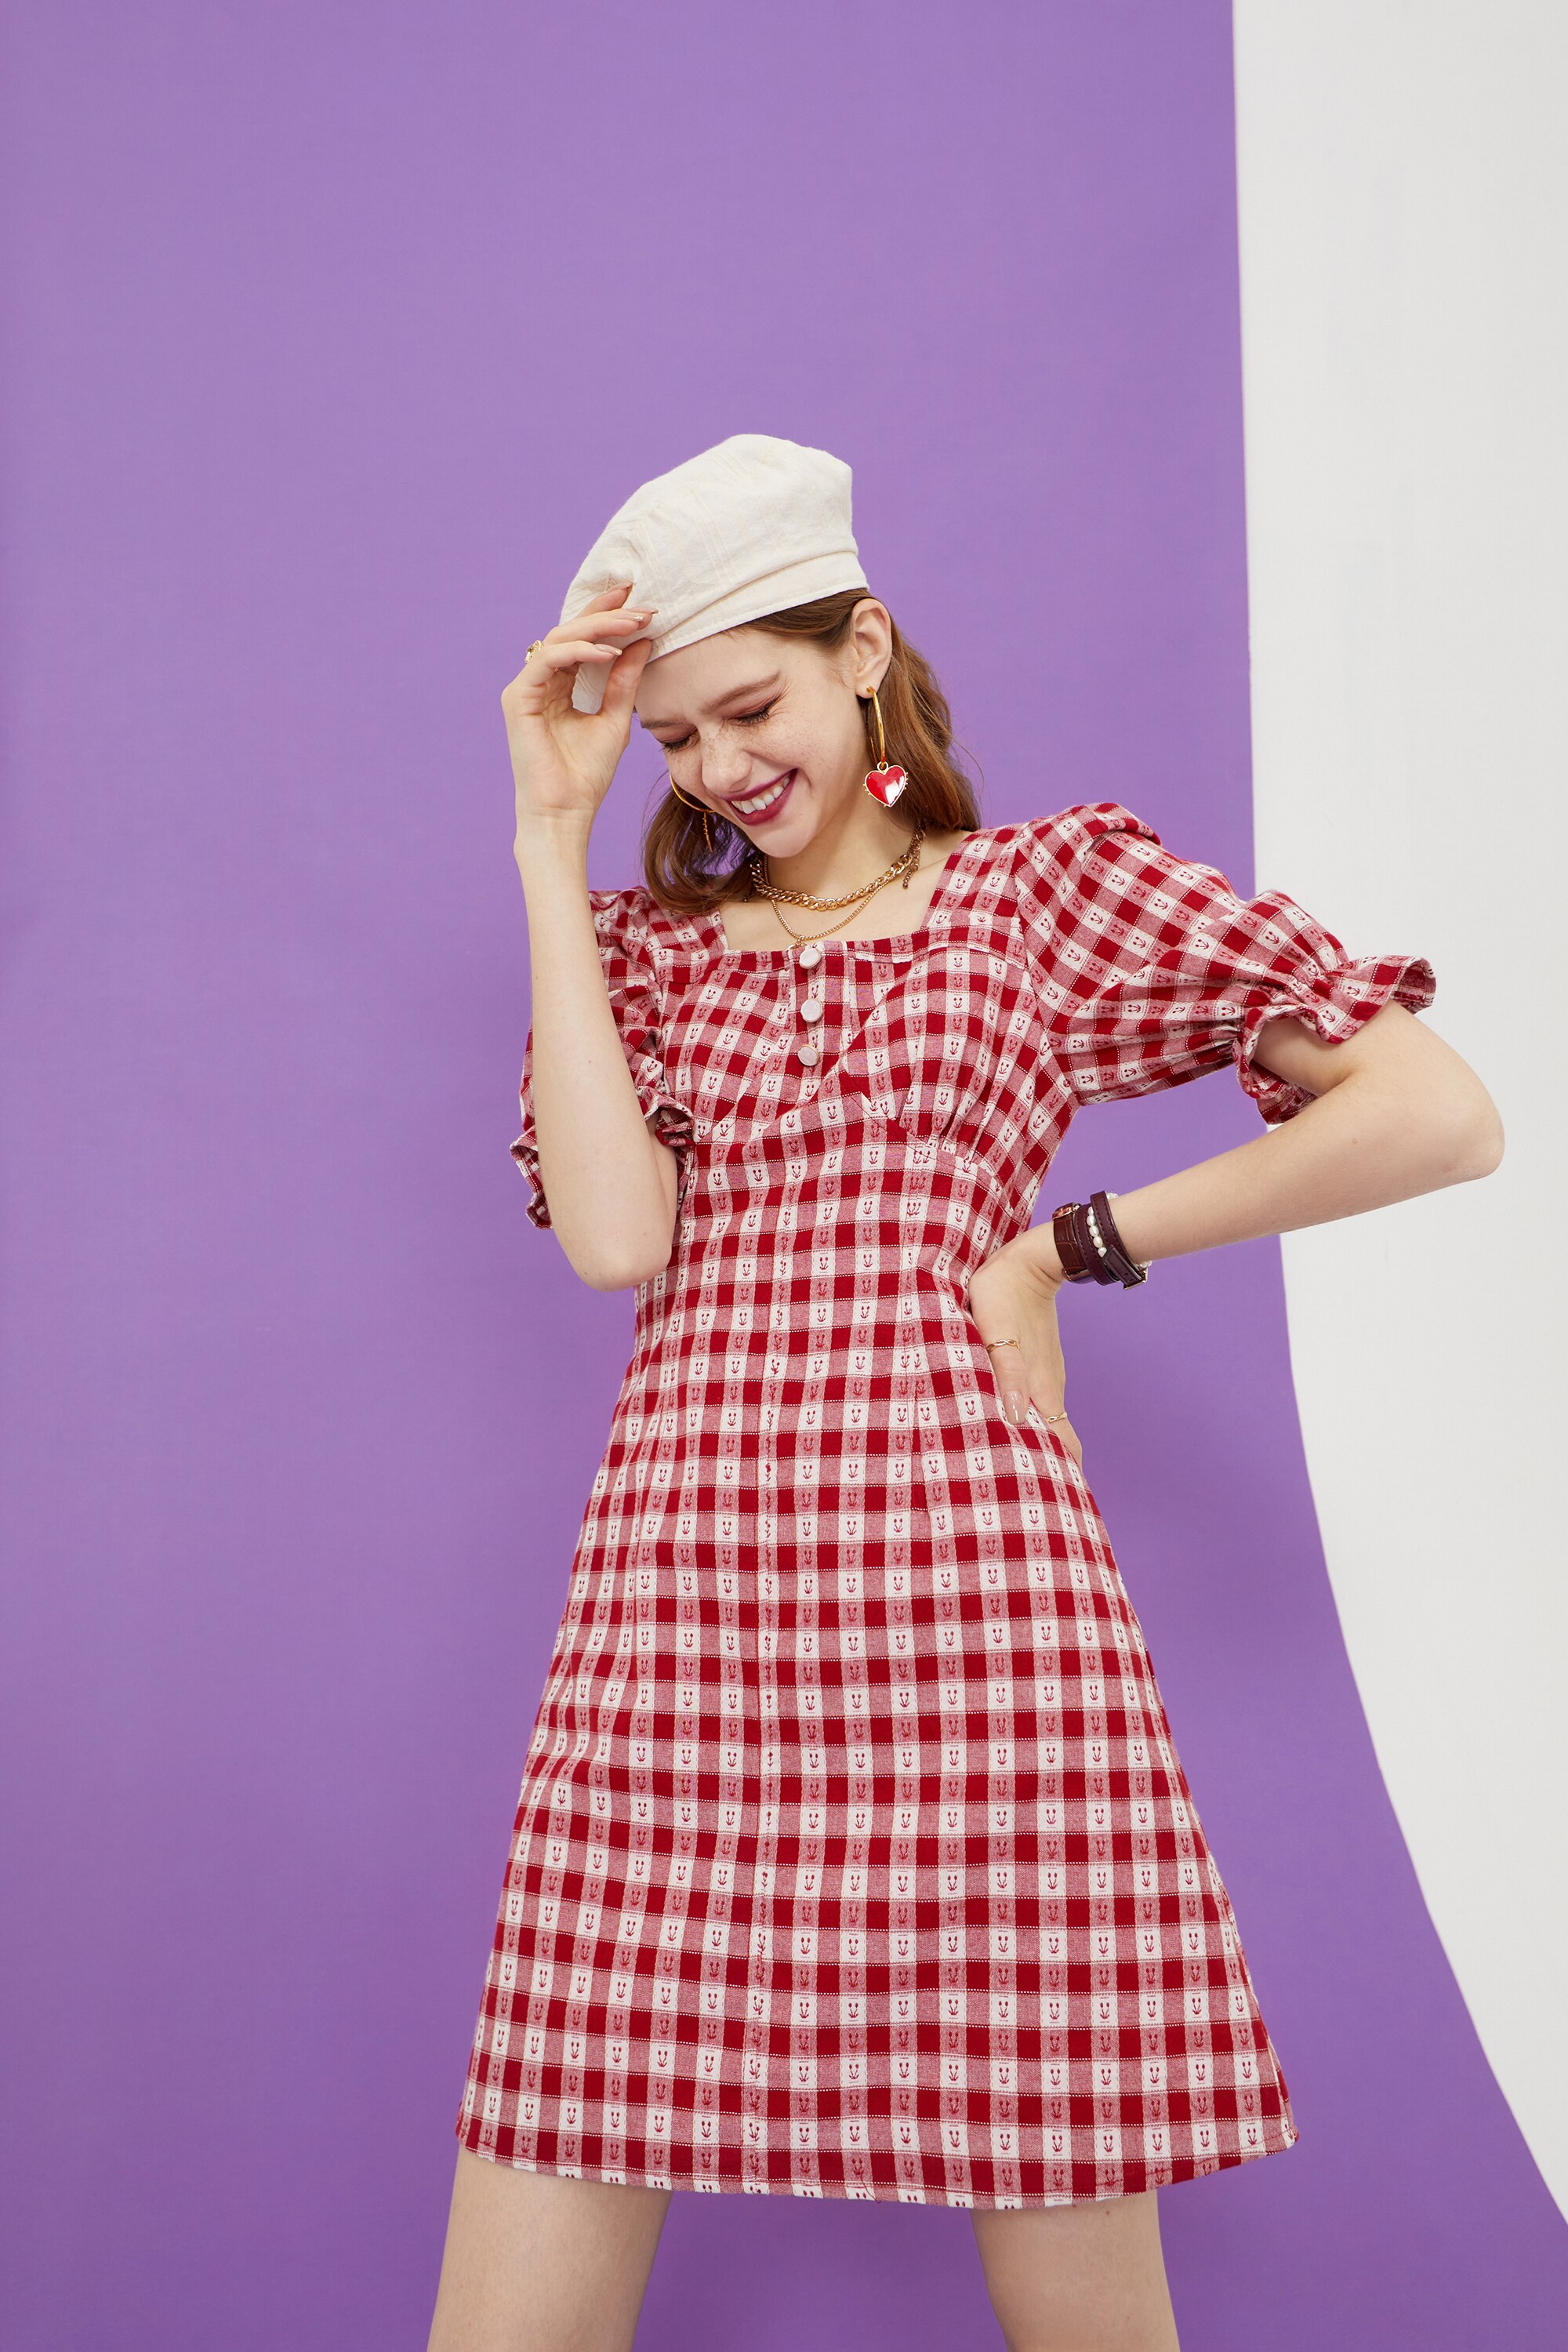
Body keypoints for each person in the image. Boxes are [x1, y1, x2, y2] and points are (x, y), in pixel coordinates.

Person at [426, 435, 1502, 2352]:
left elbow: (1435, 1112)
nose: (717, 769)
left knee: (1079, 2281)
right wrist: (544, 837)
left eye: (748, 707)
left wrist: (1065, 1248)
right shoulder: (641, 960)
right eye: (672, 739)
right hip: (682, 1629)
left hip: (978, 1627)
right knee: (535, 2223)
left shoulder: (1037, 901)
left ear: (861, 649)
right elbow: (613, 1239)